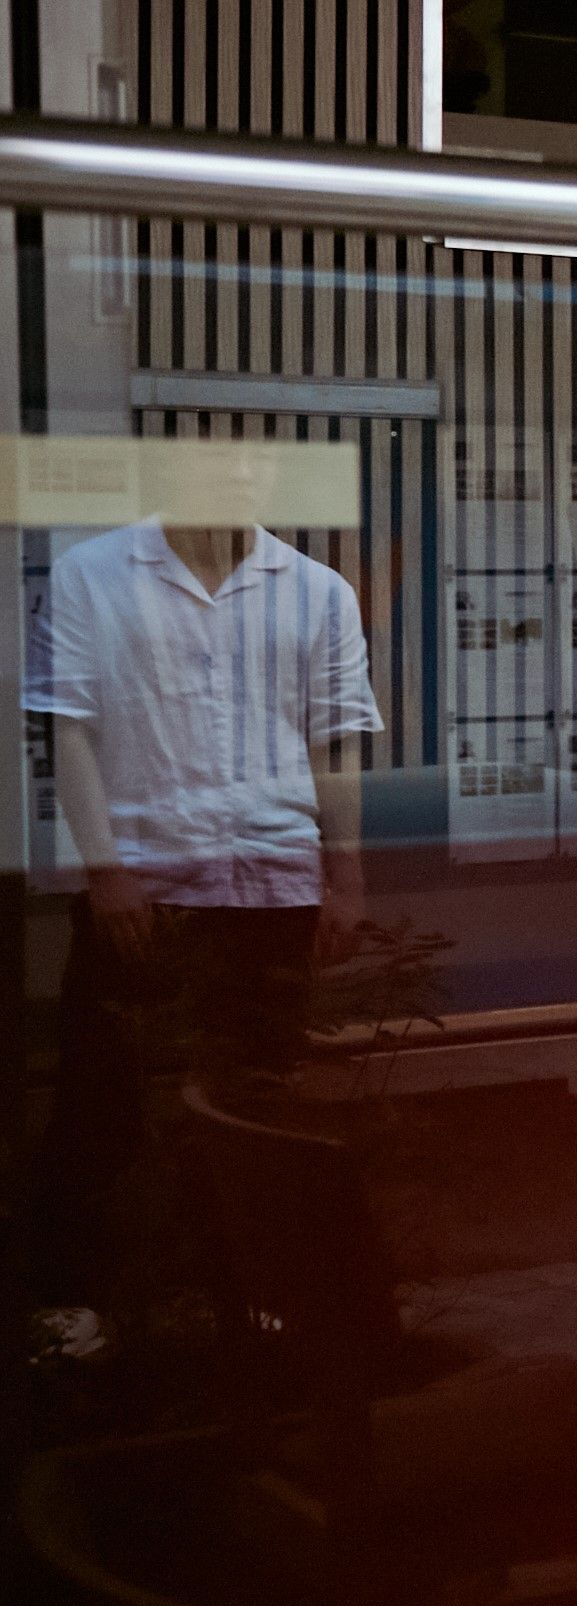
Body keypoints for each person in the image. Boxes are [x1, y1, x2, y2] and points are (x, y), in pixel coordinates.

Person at [24, 515, 382, 1304]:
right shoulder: (95, 575)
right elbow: (68, 731)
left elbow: (335, 742)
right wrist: (106, 870)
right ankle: (81, 1309)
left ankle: (244, 1301)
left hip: (272, 889)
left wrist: (346, 876)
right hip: (148, 892)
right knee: (103, 1106)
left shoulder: (317, 591)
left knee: (255, 1099)